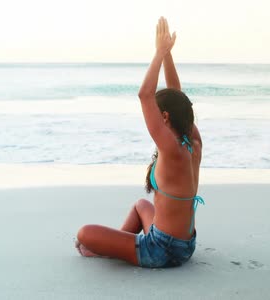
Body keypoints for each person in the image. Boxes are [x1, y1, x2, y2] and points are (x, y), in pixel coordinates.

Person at [75, 17, 204, 268]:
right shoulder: (193, 143)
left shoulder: (170, 149)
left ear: (164, 117)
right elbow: (176, 95)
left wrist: (159, 53)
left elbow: (144, 94)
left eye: (158, 112)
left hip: (162, 250)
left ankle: (115, 249)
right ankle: (119, 245)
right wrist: (168, 54)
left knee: (84, 233)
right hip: (185, 245)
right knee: (140, 205)